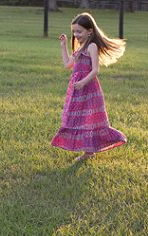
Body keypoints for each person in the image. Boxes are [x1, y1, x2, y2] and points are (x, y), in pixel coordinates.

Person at [51, 12, 127, 162]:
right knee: (79, 119)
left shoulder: (92, 46)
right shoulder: (79, 48)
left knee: (89, 119)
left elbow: (95, 70)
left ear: (90, 31)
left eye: (79, 31)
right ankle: (88, 151)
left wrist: (83, 82)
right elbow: (67, 64)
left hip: (89, 89)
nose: (76, 34)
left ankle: (88, 152)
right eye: (74, 31)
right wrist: (63, 46)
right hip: (77, 89)